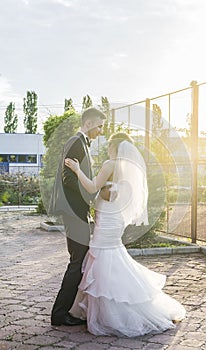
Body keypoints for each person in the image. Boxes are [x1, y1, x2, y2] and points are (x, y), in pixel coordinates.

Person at [65, 132, 186, 337]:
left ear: (114, 146)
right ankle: (113, 306)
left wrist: (77, 170)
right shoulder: (131, 169)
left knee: (103, 256)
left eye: (109, 145)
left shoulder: (110, 165)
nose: (108, 149)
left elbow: (93, 187)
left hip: (107, 221)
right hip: (116, 221)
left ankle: (110, 315)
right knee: (110, 254)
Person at [50, 107, 106, 326]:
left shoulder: (81, 142)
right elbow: (68, 179)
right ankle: (60, 314)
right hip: (74, 211)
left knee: (79, 261)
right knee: (77, 262)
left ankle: (66, 311)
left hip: (77, 211)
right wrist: (90, 194)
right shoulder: (76, 141)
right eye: (100, 126)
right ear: (89, 124)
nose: (101, 131)